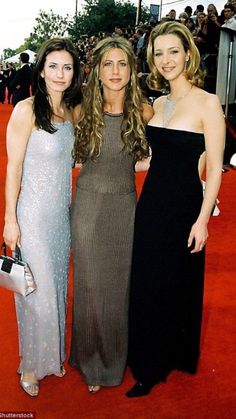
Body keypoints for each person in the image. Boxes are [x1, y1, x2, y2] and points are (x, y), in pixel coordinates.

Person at [126, 21, 225, 398]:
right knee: (148, 281)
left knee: (175, 283)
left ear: (188, 54)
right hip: (150, 205)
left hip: (185, 208)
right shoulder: (158, 105)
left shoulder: (208, 103)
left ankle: (160, 363)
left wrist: (203, 219)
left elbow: (215, 166)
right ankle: (148, 355)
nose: (165, 60)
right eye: (159, 53)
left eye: (173, 51)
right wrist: (102, 161)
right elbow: (149, 161)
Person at [69, 36, 153, 394]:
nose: (115, 71)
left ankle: (114, 359)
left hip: (124, 207)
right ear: (97, 71)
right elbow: (70, 158)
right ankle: (88, 360)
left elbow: (145, 159)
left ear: (132, 70)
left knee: (118, 289)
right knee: (89, 287)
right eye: (108, 64)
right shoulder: (80, 110)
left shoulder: (146, 112)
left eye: (122, 63)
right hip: (88, 207)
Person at [3, 37, 82, 397]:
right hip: (32, 216)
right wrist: (10, 219)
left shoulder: (73, 112)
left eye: (67, 67)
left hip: (60, 218)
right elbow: (14, 167)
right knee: (37, 291)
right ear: (41, 70)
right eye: (53, 66)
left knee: (56, 287)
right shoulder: (25, 110)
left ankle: (52, 358)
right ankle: (30, 365)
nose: (60, 74)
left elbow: (76, 162)